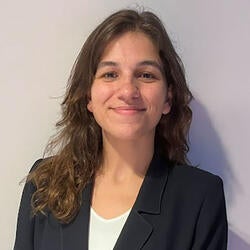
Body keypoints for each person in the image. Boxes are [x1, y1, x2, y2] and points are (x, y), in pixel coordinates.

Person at [14, 9, 227, 250]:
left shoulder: (199, 198)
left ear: (168, 98)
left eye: (146, 75)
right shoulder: (45, 182)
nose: (127, 91)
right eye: (110, 74)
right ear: (89, 97)